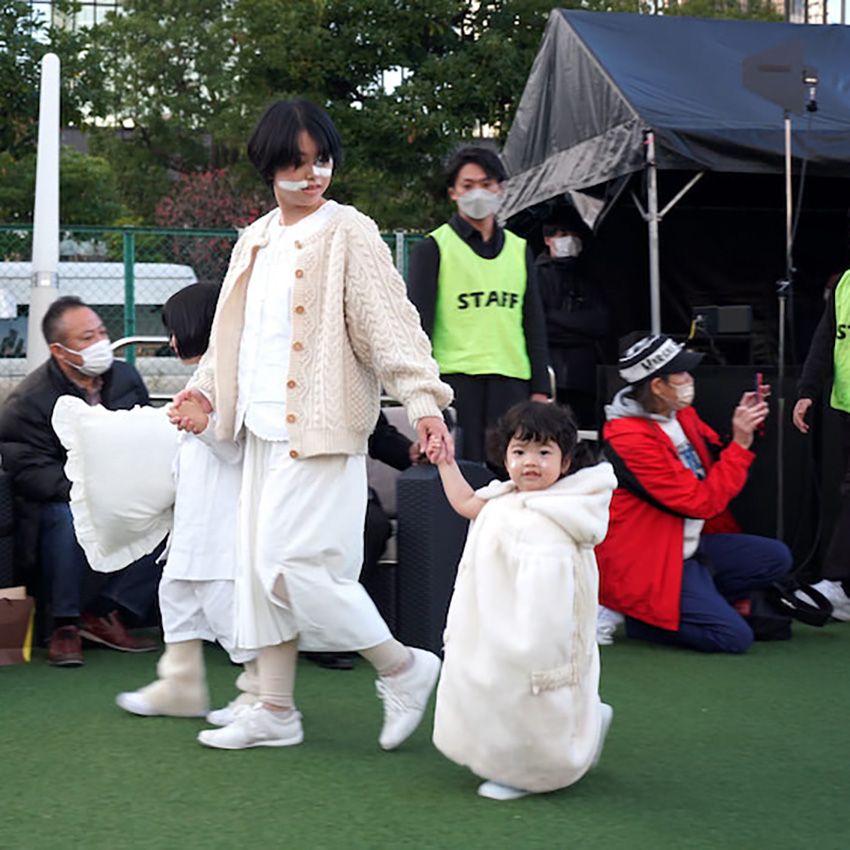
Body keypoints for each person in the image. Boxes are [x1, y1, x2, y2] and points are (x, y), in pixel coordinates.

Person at [168, 99, 454, 751]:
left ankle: (402, 666)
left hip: (322, 431)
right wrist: (204, 396)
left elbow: (389, 324)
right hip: (261, 436)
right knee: (259, 570)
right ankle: (273, 709)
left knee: (292, 569)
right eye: (296, 163)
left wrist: (423, 402)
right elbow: (228, 340)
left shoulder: (348, 231)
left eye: (320, 159)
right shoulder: (255, 240)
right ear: (269, 167)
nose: (312, 174)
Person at [428, 401, 616, 800]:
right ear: (505, 456)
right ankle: (574, 732)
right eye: (520, 451)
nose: (531, 462)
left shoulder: (566, 511)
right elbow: (466, 504)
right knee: (500, 690)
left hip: (541, 624)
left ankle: (535, 772)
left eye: (544, 452)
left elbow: (563, 584)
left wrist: (540, 636)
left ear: (565, 462)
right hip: (497, 617)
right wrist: (446, 463)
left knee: (536, 696)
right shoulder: (503, 498)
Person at [595, 334, 793, 653]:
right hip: (650, 557)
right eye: (681, 374)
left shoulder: (679, 413)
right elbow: (700, 503)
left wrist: (745, 423)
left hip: (689, 546)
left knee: (776, 558)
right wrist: (741, 444)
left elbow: (715, 455)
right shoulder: (629, 438)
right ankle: (639, 618)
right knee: (734, 638)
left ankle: (688, 602)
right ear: (657, 386)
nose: (690, 379)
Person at [116, 284, 258, 721]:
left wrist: (203, 425)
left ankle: (261, 693)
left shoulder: (237, 375)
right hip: (194, 520)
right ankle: (180, 685)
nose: (173, 342)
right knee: (175, 595)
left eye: (177, 330)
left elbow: (239, 447)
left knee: (226, 608)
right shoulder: (205, 376)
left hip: (223, 521)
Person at [0, 296, 159, 666]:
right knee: (69, 514)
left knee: (174, 507)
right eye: (87, 337)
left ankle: (109, 612)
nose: (101, 343)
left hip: (122, 488)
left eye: (102, 332)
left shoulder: (126, 377)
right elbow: (30, 471)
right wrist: (91, 490)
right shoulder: (28, 401)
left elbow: (145, 433)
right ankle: (64, 625)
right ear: (59, 349)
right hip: (58, 500)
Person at [407, 145, 550, 463]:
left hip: (513, 381)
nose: (478, 194)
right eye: (468, 186)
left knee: (512, 475)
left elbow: (534, 323)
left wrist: (541, 388)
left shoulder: (519, 248)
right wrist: (423, 395)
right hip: (456, 382)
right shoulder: (433, 248)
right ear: (453, 193)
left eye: (486, 184)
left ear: (501, 189)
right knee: (460, 475)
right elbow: (417, 330)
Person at [793, 268, 850, 619]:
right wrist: (807, 392)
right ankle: (840, 587)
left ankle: (838, 582)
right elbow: (826, 339)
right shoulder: (845, 282)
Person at [535, 210, 610, 428]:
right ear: (548, 239)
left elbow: (600, 323)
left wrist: (554, 318)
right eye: (562, 233)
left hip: (584, 377)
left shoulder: (588, 276)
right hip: (549, 374)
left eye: (574, 234)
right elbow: (537, 324)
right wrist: (577, 326)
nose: (570, 239)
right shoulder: (536, 275)